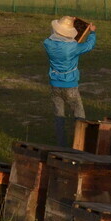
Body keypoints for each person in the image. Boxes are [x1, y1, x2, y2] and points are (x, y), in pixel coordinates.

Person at [43, 15, 97, 146]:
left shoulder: (47, 43)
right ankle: (81, 143)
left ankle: (61, 144)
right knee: (79, 115)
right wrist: (92, 32)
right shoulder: (73, 47)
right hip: (70, 85)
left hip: (54, 84)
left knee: (59, 116)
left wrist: (69, 20)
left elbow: (56, 37)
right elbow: (89, 46)